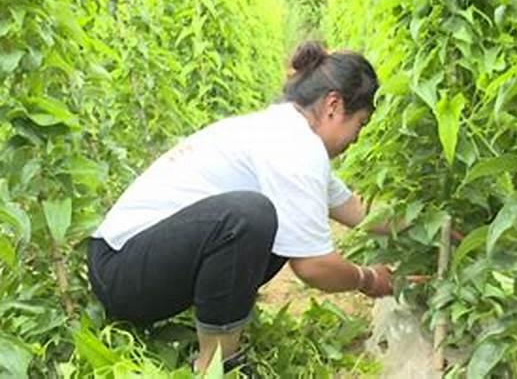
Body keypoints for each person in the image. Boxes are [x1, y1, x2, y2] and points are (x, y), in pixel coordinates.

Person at [87, 41, 394, 374]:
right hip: (120, 271)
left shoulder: (285, 132)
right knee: (251, 216)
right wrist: (367, 279)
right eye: (360, 124)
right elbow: (314, 266)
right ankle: (213, 365)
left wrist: (423, 226)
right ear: (334, 104)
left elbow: (349, 205)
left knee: (273, 222)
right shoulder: (294, 144)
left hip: (136, 260)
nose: (356, 139)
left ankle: (219, 334)